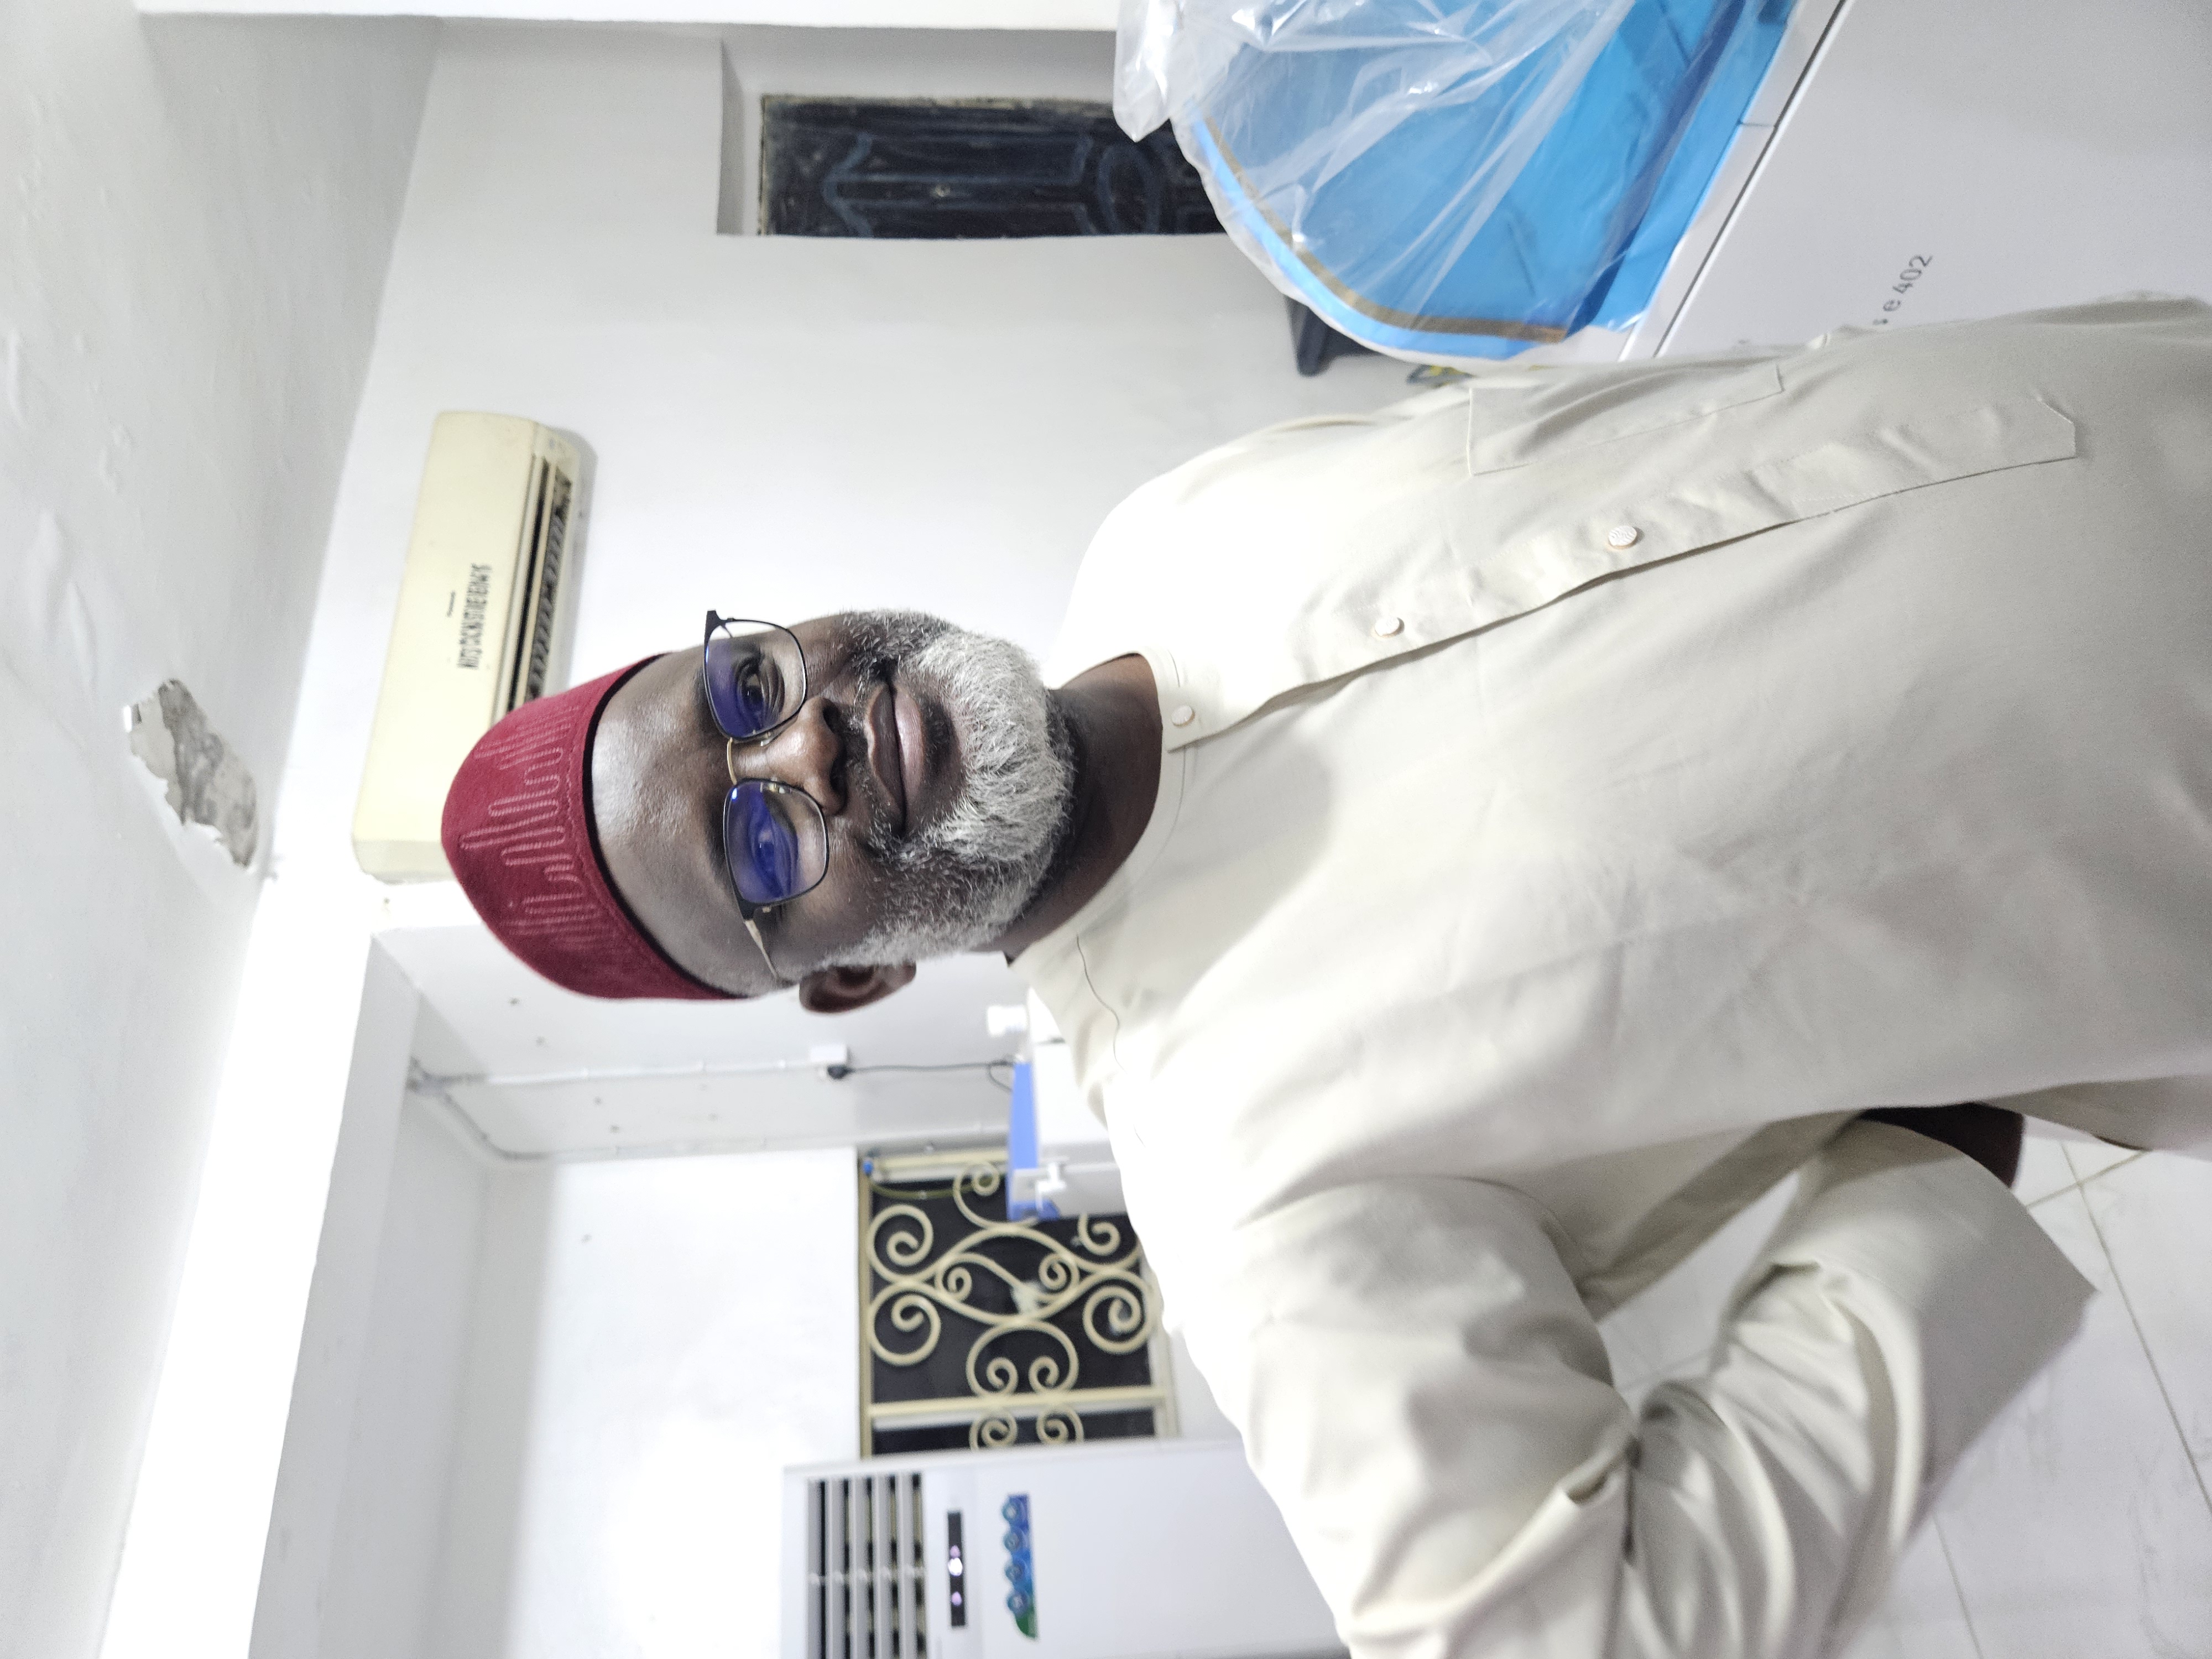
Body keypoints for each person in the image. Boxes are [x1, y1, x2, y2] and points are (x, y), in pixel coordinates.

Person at [441, 297, 2212, 1657]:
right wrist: (1922, 1155)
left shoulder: (1174, 534)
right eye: (760, 857)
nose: (805, 753)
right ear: (844, 990)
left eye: (741, 694)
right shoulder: (1249, 1179)